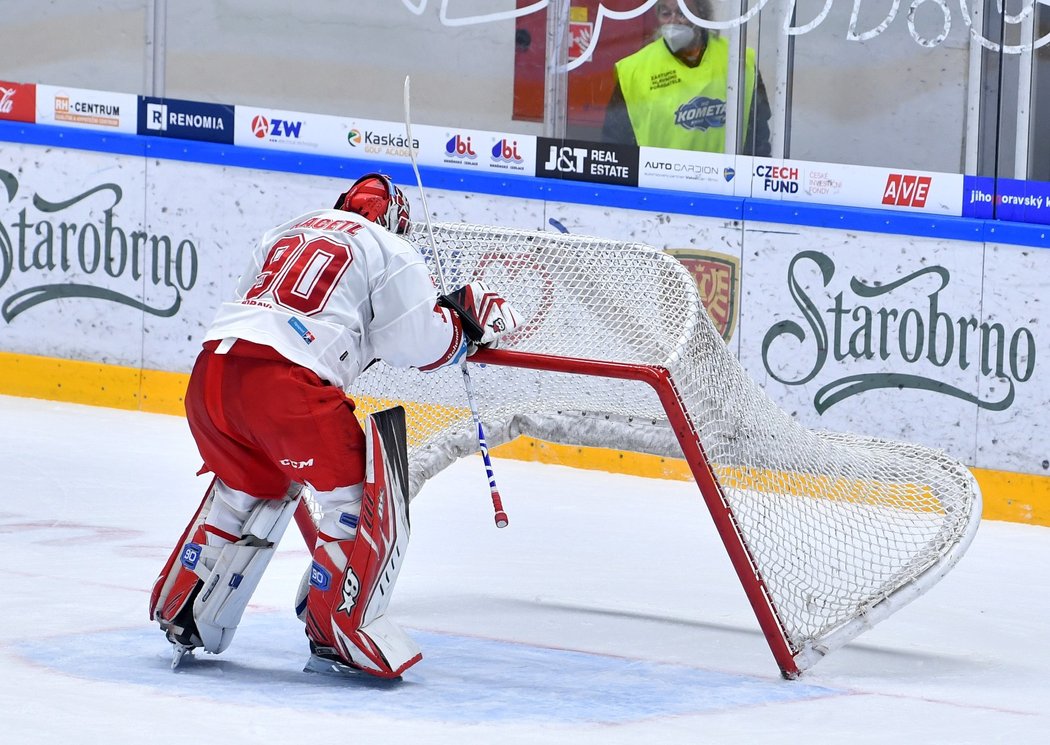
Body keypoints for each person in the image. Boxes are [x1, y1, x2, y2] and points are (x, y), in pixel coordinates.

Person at [148, 173, 521, 678]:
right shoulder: (390, 247)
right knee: (355, 497)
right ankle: (335, 627)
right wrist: (468, 322)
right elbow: (419, 345)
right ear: (394, 221)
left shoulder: (286, 229)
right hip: (286, 390)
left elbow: (264, 310)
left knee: (244, 488)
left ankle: (184, 605)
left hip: (211, 377)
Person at [602, 0, 771, 157]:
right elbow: (615, 143)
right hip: (657, 182)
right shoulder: (634, 70)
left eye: (682, 14)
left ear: (701, 15)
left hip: (723, 183)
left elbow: (758, 136)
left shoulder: (739, 60)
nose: (673, 22)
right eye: (666, 13)